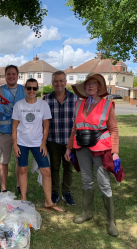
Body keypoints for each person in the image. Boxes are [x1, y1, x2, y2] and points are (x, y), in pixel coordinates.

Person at [64, 73, 123, 236]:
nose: (90, 86)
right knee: (86, 180)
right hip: (81, 147)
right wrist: (69, 148)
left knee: (104, 182)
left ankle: (111, 221)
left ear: (99, 87)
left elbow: (114, 129)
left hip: (100, 148)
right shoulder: (79, 104)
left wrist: (115, 152)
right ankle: (87, 213)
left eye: (94, 83)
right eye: (88, 83)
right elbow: (75, 128)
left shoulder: (107, 104)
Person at [12, 78, 64, 212]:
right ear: (25, 89)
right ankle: (23, 198)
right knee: (23, 170)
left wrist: (43, 143)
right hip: (22, 142)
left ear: (37, 90)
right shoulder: (19, 105)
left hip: (38, 143)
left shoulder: (43, 105)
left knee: (46, 171)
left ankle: (49, 202)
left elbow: (46, 125)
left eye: (34, 88)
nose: (31, 91)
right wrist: (15, 144)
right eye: (29, 88)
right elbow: (14, 126)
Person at [0, 65, 25, 193]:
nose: (11, 76)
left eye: (13, 74)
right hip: (5, 132)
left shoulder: (24, 90)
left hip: (21, 133)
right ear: (5, 76)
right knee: (4, 161)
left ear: (17, 76)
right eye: (8, 74)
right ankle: (3, 189)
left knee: (20, 161)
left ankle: (19, 186)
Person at [43, 71, 78, 206]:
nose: (59, 83)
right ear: (52, 83)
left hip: (70, 142)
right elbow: (43, 121)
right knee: (54, 168)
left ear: (66, 82)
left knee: (68, 168)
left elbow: (78, 121)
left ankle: (66, 192)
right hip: (53, 140)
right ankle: (55, 192)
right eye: (56, 81)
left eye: (61, 80)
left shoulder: (75, 99)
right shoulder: (46, 100)